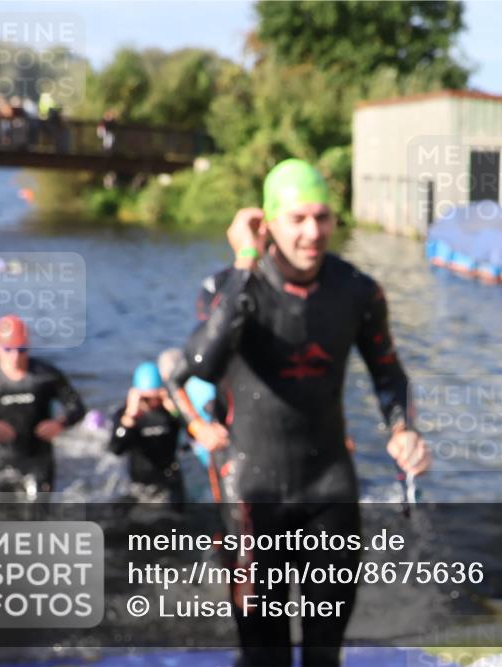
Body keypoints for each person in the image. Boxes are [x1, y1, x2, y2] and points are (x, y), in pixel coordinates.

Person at [181, 158, 430, 667]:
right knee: (263, 656)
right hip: (250, 497)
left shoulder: (357, 291)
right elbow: (202, 365)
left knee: (324, 655)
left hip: (329, 492)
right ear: (267, 221)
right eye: (297, 218)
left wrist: (402, 429)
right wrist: (245, 262)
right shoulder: (229, 287)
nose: (313, 232)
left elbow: (389, 374)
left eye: (323, 217)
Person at [0, 315, 86, 496]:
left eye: (22, 349)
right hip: (0, 459)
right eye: (8, 349)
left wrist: (60, 424)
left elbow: (77, 407)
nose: (16, 356)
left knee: (38, 516)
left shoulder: (45, 376)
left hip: (38, 458)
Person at [109, 361, 184, 507]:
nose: (151, 403)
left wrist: (175, 408)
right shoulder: (126, 415)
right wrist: (130, 417)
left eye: (155, 398)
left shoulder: (169, 412)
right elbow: (116, 449)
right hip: (138, 483)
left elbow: (193, 435)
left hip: (169, 478)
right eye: (145, 398)